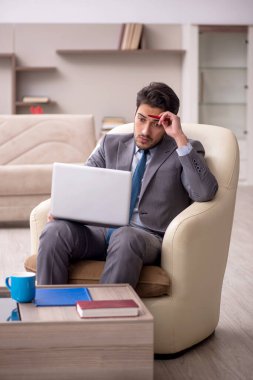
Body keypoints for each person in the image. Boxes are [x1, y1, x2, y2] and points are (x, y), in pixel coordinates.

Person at [37, 82, 218, 287]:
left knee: (125, 236)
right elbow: (83, 182)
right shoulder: (110, 144)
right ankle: (51, 309)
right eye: (141, 119)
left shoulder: (184, 149)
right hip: (99, 233)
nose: (145, 130)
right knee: (55, 231)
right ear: (135, 114)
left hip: (145, 237)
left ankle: (105, 315)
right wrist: (64, 209)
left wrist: (179, 138)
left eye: (156, 123)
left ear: (167, 123)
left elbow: (204, 192)